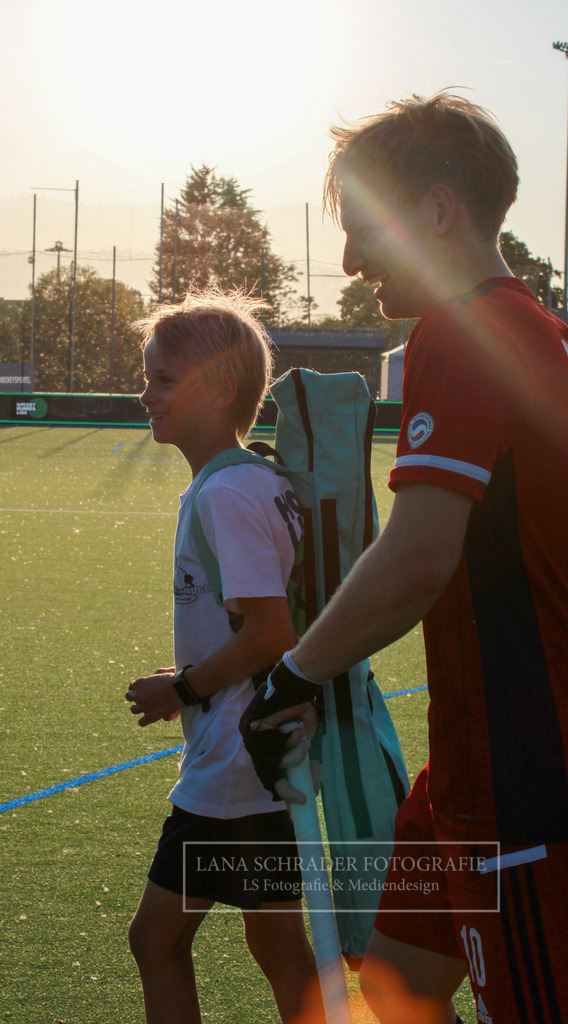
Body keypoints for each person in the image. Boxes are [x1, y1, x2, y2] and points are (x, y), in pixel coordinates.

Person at [239, 92, 568, 1024]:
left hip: (525, 779)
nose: (348, 260)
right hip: (483, 767)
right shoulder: (551, 336)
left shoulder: (459, 335)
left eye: (364, 227)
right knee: (394, 999)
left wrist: (293, 674)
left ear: (436, 211)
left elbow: (420, 558)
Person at [124, 290, 318, 1024]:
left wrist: (183, 688)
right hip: (262, 755)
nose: (146, 395)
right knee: (277, 945)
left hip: (236, 762)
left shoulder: (228, 493)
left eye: (164, 380)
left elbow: (270, 634)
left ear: (220, 388)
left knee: (155, 940)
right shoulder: (253, 478)